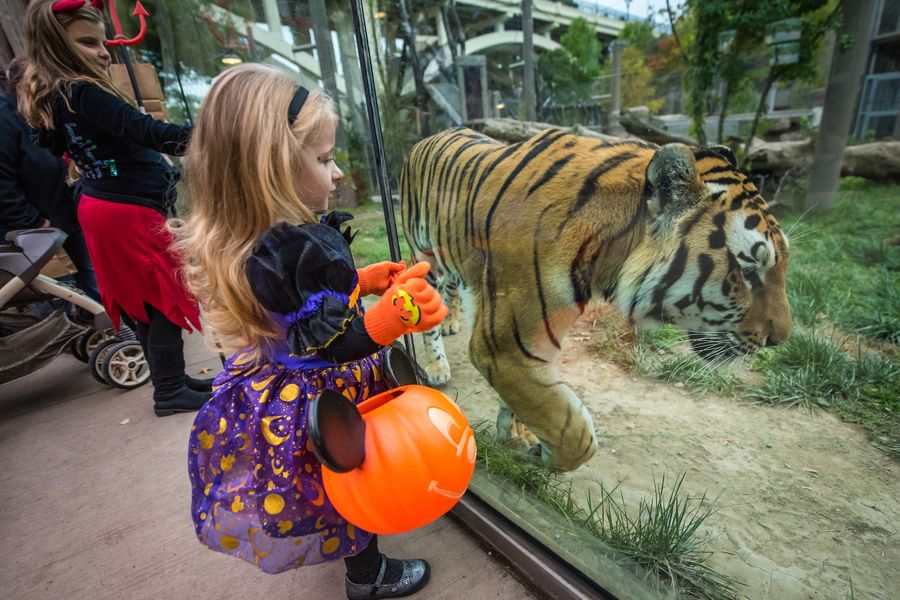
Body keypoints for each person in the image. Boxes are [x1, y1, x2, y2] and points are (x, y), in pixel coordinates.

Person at [173, 63, 447, 599]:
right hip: (319, 392)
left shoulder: (261, 240)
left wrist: (363, 281)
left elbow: (301, 313)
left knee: (331, 481)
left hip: (284, 381)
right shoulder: (288, 253)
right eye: (324, 159)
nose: (338, 173)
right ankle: (368, 578)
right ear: (267, 168)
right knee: (348, 478)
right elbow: (335, 342)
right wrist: (396, 315)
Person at [17, 0, 211, 415]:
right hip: (125, 212)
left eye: (102, 42)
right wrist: (218, 132)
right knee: (161, 299)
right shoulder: (83, 92)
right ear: (56, 44)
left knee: (142, 302)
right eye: (89, 42)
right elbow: (149, 132)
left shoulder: (58, 97)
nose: (104, 52)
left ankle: (170, 382)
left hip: (104, 207)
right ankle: (171, 391)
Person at [0, 57, 101, 302]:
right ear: (21, 84)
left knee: (94, 283)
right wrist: (33, 221)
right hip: (33, 229)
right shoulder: (5, 120)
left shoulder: (39, 110)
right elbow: (2, 183)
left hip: (65, 213)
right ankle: (75, 336)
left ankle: (114, 332)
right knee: (55, 293)